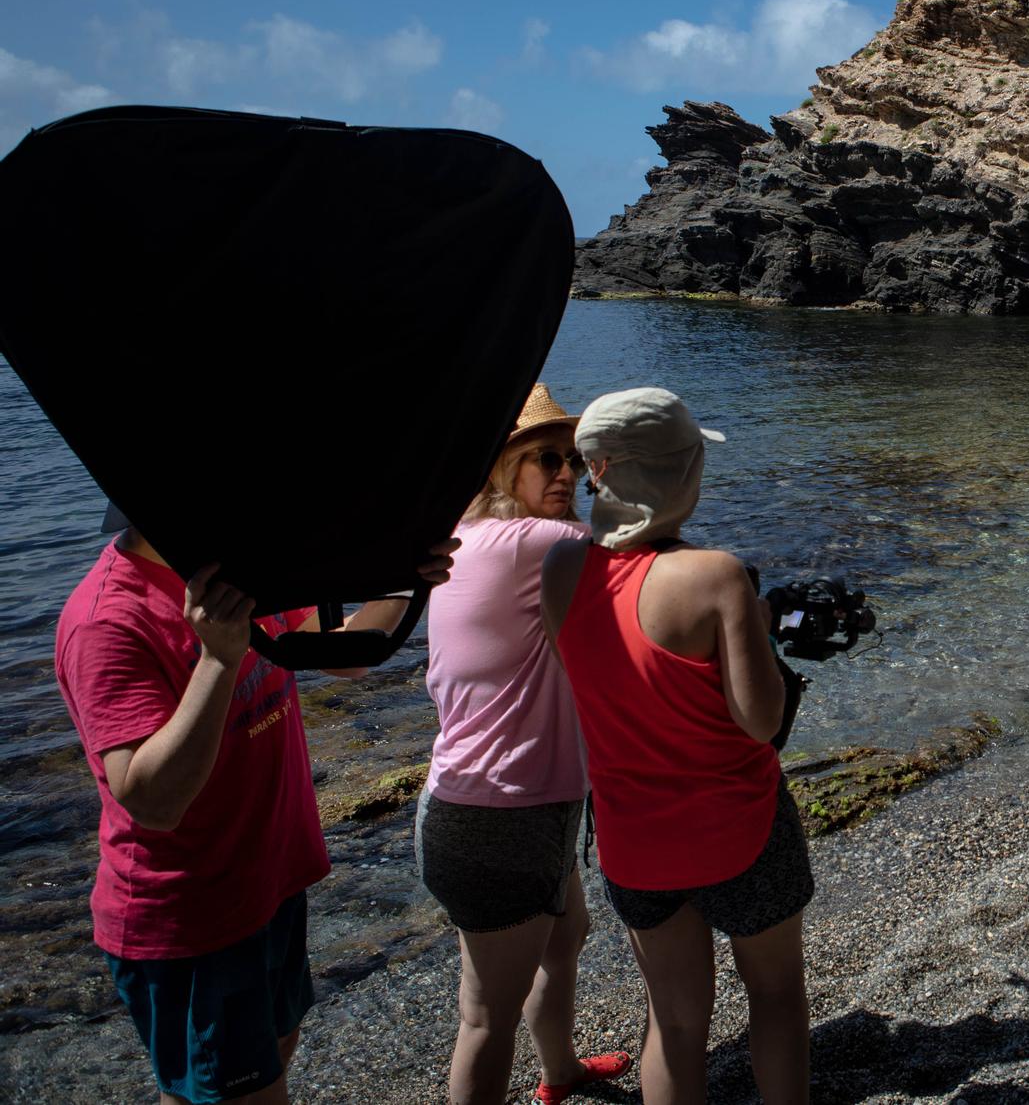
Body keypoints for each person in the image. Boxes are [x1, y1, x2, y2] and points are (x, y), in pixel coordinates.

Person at [54, 516, 455, 1105]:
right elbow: (152, 802)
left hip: (271, 883)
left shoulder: (240, 570)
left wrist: (399, 581)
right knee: (239, 1092)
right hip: (192, 920)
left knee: (261, 1059)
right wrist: (217, 659)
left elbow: (343, 655)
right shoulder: (107, 619)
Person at [542, 388, 810, 1105]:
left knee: (675, 1020)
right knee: (778, 995)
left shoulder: (560, 573)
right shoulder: (715, 575)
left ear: (599, 471)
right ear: (680, 471)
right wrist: (756, 624)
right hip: (741, 827)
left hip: (634, 842)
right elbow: (761, 719)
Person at [419, 383, 632, 1105]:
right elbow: (642, 534)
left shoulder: (465, 537)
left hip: (496, 804)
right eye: (548, 459)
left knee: (564, 933)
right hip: (500, 816)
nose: (569, 474)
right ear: (502, 469)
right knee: (484, 1017)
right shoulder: (545, 542)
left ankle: (561, 1069)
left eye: (575, 459)